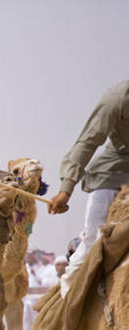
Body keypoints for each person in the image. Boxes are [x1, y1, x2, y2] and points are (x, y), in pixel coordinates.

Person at [48, 80, 129, 297]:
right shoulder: (116, 99)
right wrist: (66, 189)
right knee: (94, 240)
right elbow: (88, 141)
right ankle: (67, 307)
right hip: (114, 169)